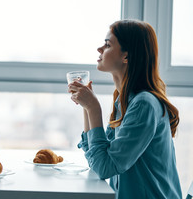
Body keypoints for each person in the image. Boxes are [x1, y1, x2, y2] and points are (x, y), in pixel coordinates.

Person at [68, 19, 182, 198]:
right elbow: (97, 160)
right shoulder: (125, 99)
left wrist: (93, 108)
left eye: (107, 45)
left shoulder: (144, 104)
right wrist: (86, 106)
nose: (100, 49)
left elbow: (105, 168)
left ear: (126, 56)